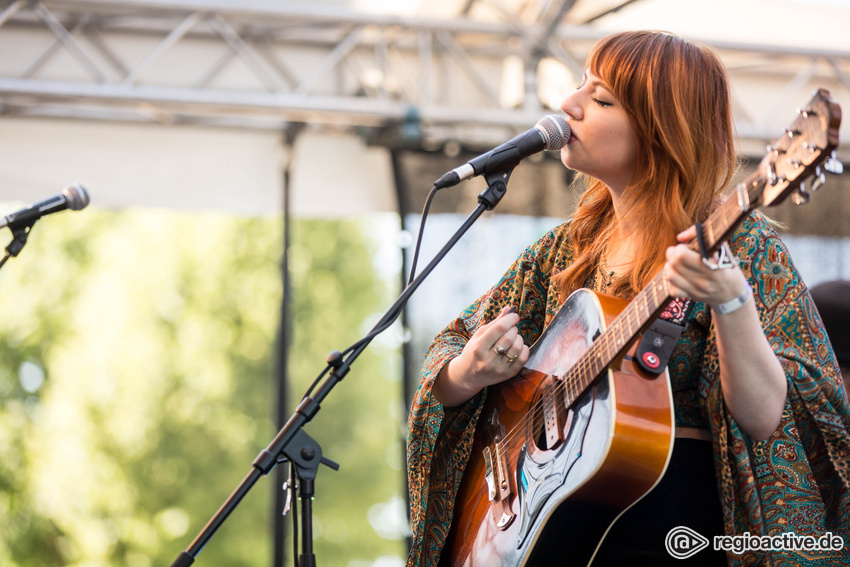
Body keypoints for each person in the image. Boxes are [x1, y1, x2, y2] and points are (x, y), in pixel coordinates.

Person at [406, 31, 850, 566]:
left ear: (660, 129)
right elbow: (450, 358)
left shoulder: (742, 244)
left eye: (599, 99)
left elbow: (767, 421)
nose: (568, 106)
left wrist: (732, 303)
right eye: (580, 89)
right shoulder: (565, 249)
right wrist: (469, 371)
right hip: (553, 533)